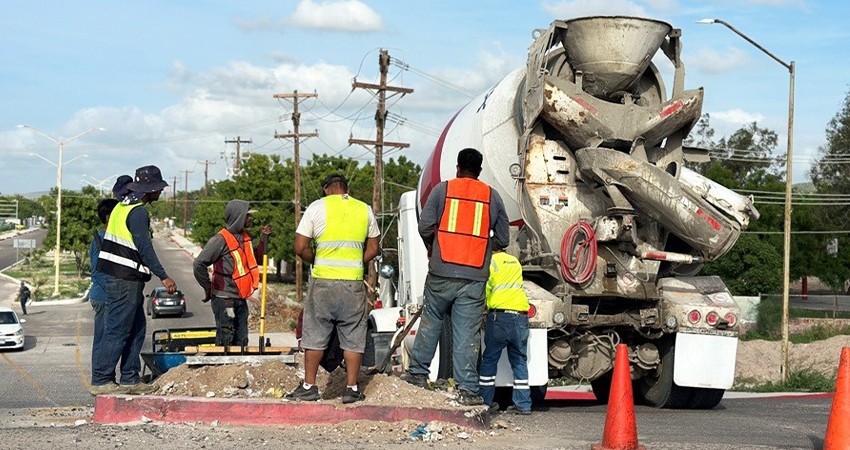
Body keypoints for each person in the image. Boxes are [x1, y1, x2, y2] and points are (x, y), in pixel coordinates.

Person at [402, 148, 509, 406]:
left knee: (431, 321)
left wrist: (434, 247)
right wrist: (483, 248)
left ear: (458, 167)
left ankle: (417, 374)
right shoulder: (491, 197)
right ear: (479, 170)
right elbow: (503, 238)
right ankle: (468, 390)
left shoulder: (442, 191)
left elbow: (424, 226)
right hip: (473, 278)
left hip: (441, 272)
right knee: (467, 334)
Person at [286, 174, 379, 404]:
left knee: (315, 333)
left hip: (323, 282)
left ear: (326, 189)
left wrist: (315, 260)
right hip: (353, 283)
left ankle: (309, 386)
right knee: (353, 337)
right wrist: (357, 262)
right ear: (346, 189)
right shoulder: (364, 209)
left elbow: (300, 247)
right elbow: (374, 248)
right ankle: (352, 388)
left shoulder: (317, 208)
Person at [92, 165, 177, 395]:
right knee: (118, 329)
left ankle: (130, 378)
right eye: (158, 188)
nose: (160, 192)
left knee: (137, 328)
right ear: (148, 189)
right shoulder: (138, 212)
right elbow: (145, 248)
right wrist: (164, 276)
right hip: (124, 278)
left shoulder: (122, 206)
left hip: (120, 276)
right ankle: (101, 380)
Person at [193, 200, 271, 347]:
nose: (251, 219)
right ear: (238, 217)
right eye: (248, 216)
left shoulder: (245, 238)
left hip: (240, 297)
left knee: (241, 340)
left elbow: (257, 259)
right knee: (226, 339)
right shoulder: (219, 240)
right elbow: (198, 264)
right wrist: (208, 288)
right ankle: (222, 369)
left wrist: (264, 240)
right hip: (224, 298)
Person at [479, 247, 532, 415]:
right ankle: (523, 405)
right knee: (519, 361)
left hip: (500, 318)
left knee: (489, 360)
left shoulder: (490, 263)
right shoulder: (514, 261)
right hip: (520, 317)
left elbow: (487, 288)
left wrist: (482, 307)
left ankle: (485, 403)